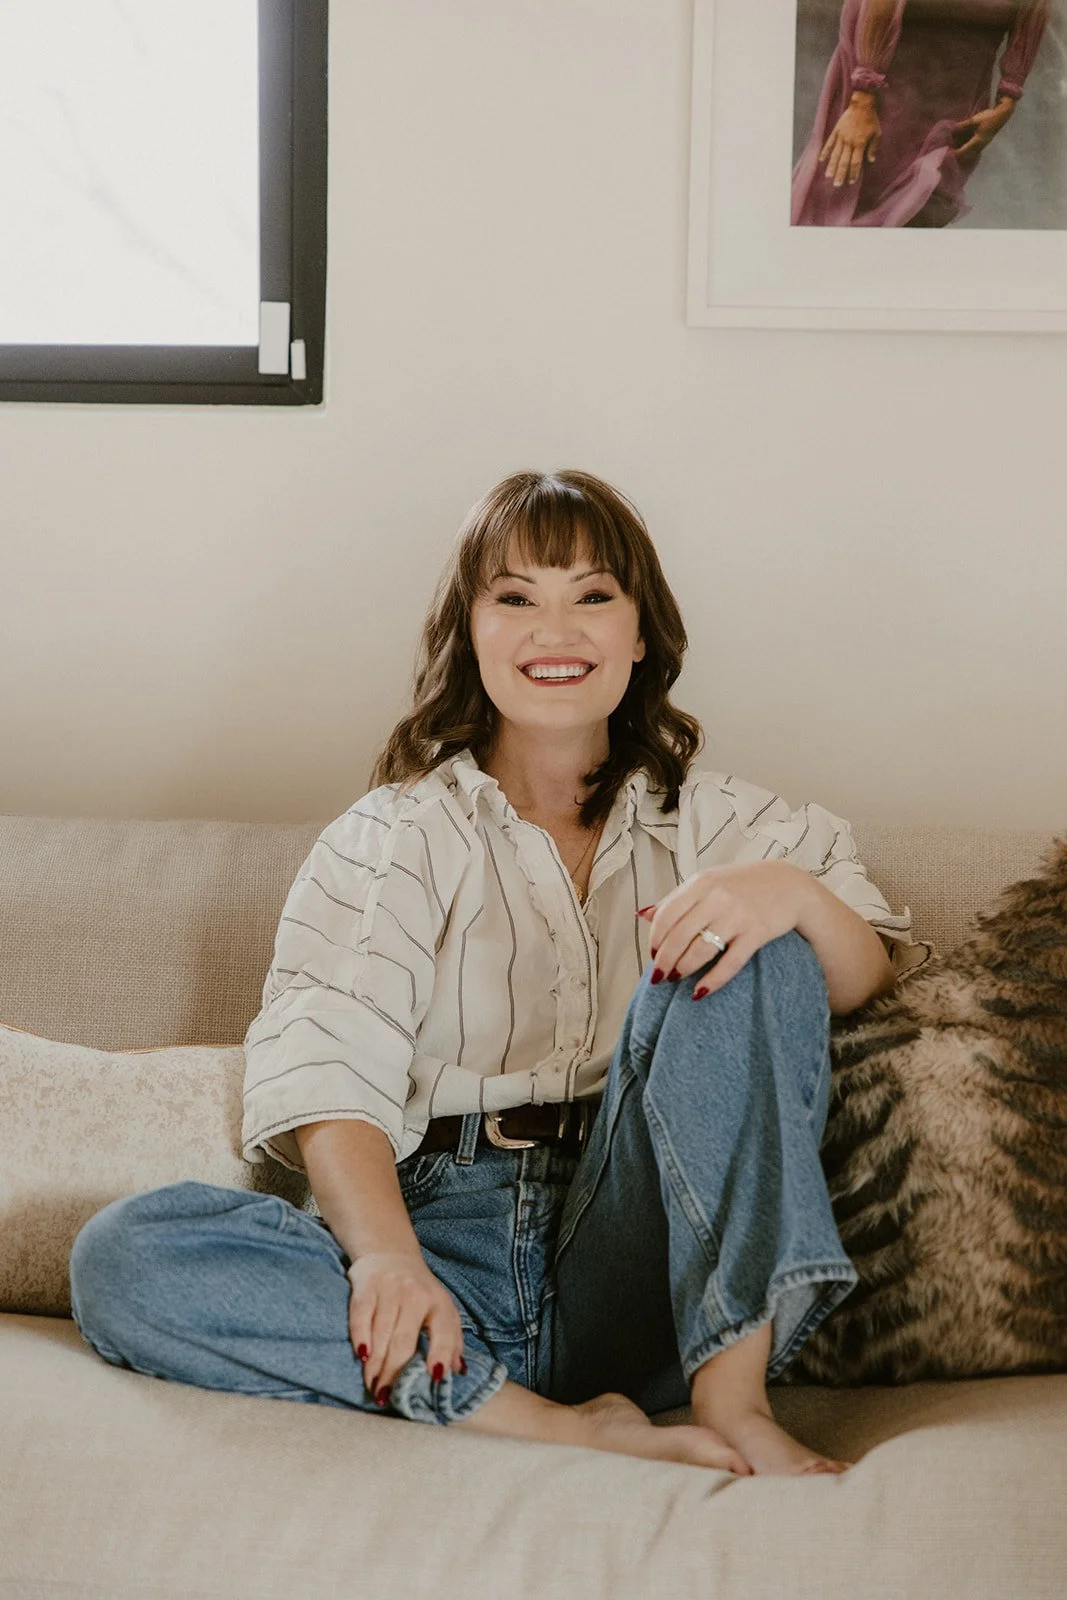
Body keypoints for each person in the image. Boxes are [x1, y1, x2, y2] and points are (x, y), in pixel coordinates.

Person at [69, 470, 923, 1476]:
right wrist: (388, 1258)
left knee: (759, 934)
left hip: (646, 1251)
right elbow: (329, 1060)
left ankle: (730, 1400)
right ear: (469, 633)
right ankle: (538, 1420)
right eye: (514, 598)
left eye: (590, 596)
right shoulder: (387, 836)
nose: (550, 630)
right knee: (126, 1252)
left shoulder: (733, 825)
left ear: (640, 632)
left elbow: (858, 973)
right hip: (443, 1251)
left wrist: (783, 891)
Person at [792, 0, 1052, 227]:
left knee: (918, 212)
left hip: (956, 104)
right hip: (880, 92)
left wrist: (1008, 97)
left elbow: (1034, 9)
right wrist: (862, 97)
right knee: (843, 210)